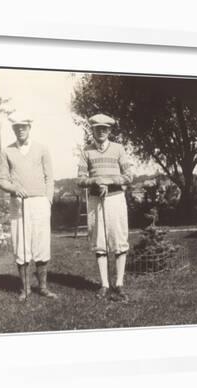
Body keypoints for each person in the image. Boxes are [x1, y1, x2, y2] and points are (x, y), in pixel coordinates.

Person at [0, 114, 57, 301]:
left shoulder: (42, 149)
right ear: (13, 129)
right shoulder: (6, 151)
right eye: (16, 127)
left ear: (29, 127)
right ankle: (25, 289)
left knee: (41, 244)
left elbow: (50, 177)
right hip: (18, 204)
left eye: (23, 126)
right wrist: (14, 188)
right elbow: (2, 181)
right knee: (21, 244)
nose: (20, 130)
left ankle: (43, 287)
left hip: (40, 202)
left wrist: (48, 200)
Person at [77, 113, 133, 302]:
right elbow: (80, 179)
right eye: (97, 128)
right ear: (92, 130)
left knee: (118, 240)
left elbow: (128, 176)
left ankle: (119, 284)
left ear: (109, 130)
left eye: (104, 129)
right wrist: (95, 181)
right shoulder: (86, 151)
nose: (101, 131)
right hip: (95, 201)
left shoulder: (118, 149)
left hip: (115, 198)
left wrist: (107, 182)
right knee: (99, 241)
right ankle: (104, 284)